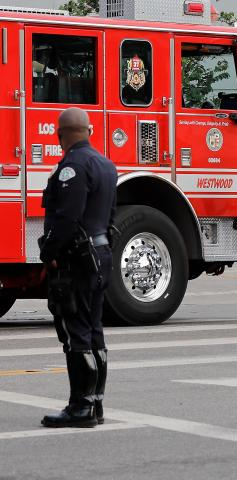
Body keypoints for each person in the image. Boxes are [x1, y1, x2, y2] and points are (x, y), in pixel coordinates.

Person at [38, 107, 116, 429]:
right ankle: (95, 404)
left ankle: (80, 407)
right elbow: (110, 215)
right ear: (89, 131)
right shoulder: (106, 164)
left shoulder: (72, 166)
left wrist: (49, 252)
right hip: (100, 253)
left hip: (78, 259)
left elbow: (67, 218)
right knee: (94, 330)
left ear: (60, 135)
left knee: (76, 332)